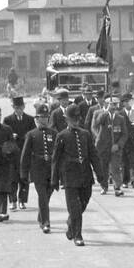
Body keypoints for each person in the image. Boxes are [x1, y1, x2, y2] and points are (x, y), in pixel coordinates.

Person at [51, 106, 104, 246]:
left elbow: (94, 156)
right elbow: (55, 159)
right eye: (72, 119)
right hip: (69, 177)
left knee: (83, 204)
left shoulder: (86, 134)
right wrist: (54, 179)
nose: (75, 122)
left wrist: (100, 174)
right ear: (67, 120)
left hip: (85, 176)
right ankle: (77, 235)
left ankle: (71, 223)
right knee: (75, 208)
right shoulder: (61, 136)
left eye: (77, 119)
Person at [19, 103, 60, 233]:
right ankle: (46, 222)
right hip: (37, 169)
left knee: (48, 194)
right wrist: (24, 173)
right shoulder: (31, 134)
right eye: (41, 117)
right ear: (36, 118)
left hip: (51, 170)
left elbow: (59, 154)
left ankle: (41, 216)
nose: (44, 119)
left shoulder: (54, 133)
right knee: (42, 195)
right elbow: (25, 155)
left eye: (46, 117)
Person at [4, 95, 37, 211]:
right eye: (16, 107)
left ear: (24, 107)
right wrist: (10, 136)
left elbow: (33, 134)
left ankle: (22, 201)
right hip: (13, 154)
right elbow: (4, 136)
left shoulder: (30, 119)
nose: (18, 110)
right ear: (13, 107)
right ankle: (13, 201)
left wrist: (23, 138)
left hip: (25, 152)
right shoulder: (8, 120)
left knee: (24, 178)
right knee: (12, 178)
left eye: (20, 107)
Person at [89, 96, 114, 194]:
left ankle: (117, 186)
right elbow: (94, 126)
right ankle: (104, 185)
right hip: (101, 143)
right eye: (109, 103)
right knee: (103, 165)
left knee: (114, 165)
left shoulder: (117, 114)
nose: (111, 105)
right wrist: (97, 136)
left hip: (113, 143)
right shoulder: (98, 113)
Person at [107, 95, 130, 196]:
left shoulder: (120, 118)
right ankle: (104, 185)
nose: (113, 107)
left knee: (116, 167)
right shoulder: (101, 115)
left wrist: (118, 145)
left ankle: (117, 187)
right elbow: (95, 128)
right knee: (104, 168)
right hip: (104, 147)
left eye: (115, 105)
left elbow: (124, 134)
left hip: (116, 148)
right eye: (111, 105)